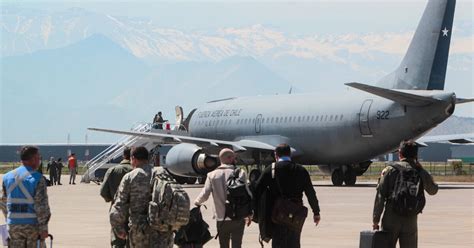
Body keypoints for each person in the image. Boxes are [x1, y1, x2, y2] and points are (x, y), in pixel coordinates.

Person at [372, 140, 438, 248]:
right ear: (416, 155)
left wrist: (376, 220)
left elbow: (380, 196)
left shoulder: (390, 170)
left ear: (400, 153)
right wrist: (422, 170)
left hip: (391, 218)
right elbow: (433, 190)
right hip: (410, 219)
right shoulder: (418, 171)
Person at [254, 143, 321, 248]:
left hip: (276, 215)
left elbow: (257, 191)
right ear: (290, 154)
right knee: (294, 242)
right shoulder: (301, 170)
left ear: (276, 155)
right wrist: (316, 212)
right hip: (295, 214)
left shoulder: (270, 170)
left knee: (278, 242)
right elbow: (310, 193)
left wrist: (253, 214)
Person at [110, 147, 168, 247]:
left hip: (139, 232)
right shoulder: (162, 173)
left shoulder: (130, 177)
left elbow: (119, 206)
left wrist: (118, 229)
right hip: (163, 231)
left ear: (133, 158)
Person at [194, 148, 252, 248]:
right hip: (238, 217)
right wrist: (250, 213)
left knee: (223, 245)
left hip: (221, 217)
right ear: (230, 158)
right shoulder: (240, 173)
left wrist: (197, 202)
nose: (236, 160)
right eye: (234, 158)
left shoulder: (212, 175)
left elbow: (205, 194)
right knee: (237, 245)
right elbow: (248, 194)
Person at [1, 146, 51, 247]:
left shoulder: (7, 177)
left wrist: (9, 219)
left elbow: (2, 201)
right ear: (32, 159)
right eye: (38, 158)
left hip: (13, 226)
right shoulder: (37, 178)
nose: (39, 161)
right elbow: (41, 206)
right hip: (32, 226)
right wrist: (43, 228)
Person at [101, 147, 133, 248]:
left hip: (118, 210)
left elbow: (103, 192)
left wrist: (111, 199)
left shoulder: (113, 170)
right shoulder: (138, 171)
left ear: (124, 155)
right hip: (136, 211)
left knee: (118, 242)